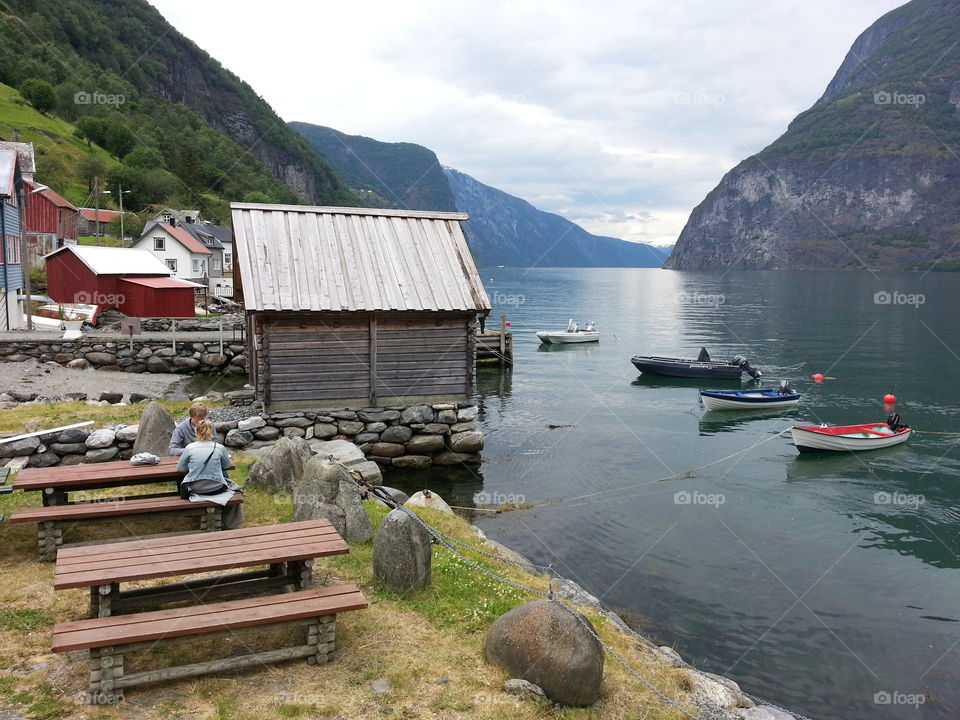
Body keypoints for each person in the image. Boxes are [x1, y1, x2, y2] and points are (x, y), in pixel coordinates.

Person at [176, 419, 243, 529]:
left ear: (196, 432)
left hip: (195, 489)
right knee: (236, 488)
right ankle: (229, 522)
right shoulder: (219, 448)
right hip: (217, 487)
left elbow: (181, 468)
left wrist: (193, 465)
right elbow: (226, 466)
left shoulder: (189, 448)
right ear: (211, 433)